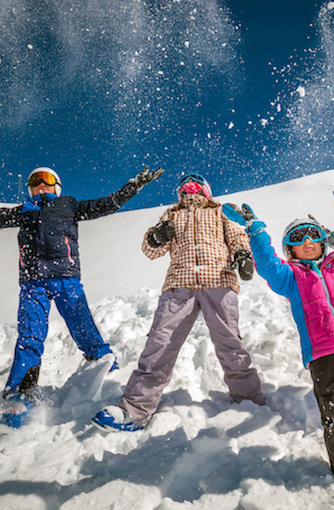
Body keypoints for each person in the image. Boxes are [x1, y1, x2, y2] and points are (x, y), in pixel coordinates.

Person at [0, 165, 164, 427]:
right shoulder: (23, 212)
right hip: (32, 284)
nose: (41, 184)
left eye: (47, 179)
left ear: (57, 186)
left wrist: (134, 185)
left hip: (65, 278)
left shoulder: (68, 205)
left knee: (83, 329)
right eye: (34, 181)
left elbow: (109, 204)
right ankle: (19, 400)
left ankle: (109, 375)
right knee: (29, 338)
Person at [222, 190, 334, 491]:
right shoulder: (291, 277)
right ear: (290, 249)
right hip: (322, 355)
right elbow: (266, 266)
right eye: (298, 238)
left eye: (313, 236)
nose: (307, 242)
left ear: (322, 243)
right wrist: (256, 230)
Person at [92, 173, 263, 432]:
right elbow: (151, 251)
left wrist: (242, 255)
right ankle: (134, 409)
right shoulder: (171, 214)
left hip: (217, 279)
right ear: (179, 193)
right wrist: (157, 236)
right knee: (160, 343)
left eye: (196, 187)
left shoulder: (219, 212)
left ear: (207, 191)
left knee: (230, 343)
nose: (190, 192)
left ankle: (250, 402)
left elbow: (238, 237)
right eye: (185, 188)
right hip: (179, 285)